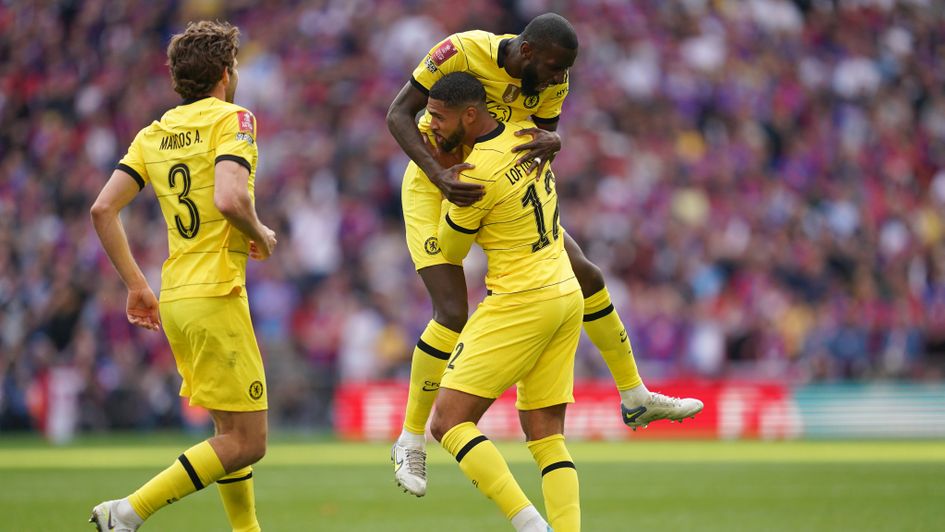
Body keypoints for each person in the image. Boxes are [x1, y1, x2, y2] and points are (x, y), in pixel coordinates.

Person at [386, 12, 703, 496]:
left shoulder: (554, 79)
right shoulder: (462, 49)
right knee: (451, 312)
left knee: (586, 273)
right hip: (436, 183)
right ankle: (410, 439)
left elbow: (538, 144)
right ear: (528, 52)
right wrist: (438, 174)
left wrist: (557, 142)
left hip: (496, 185)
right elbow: (397, 115)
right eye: (554, 68)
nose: (559, 79)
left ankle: (635, 395)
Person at [88, 20, 276, 532]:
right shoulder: (234, 119)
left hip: (176, 296)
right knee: (249, 442)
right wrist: (260, 232)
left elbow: (103, 209)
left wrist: (135, 284)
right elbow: (229, 198)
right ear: (224, 72)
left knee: (227, 430)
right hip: (216, 294)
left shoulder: (154, 134)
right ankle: (126, 513)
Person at [426, 71, 581, 531]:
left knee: (448, 422)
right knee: (546, 435)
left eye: (438, 116)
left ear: (470, 115)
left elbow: (449, 253)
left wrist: (443, 182)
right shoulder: (527, 134)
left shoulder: (474, 176)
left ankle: (530, 526)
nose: (431, 125)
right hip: (564, 291)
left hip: (521, 298)